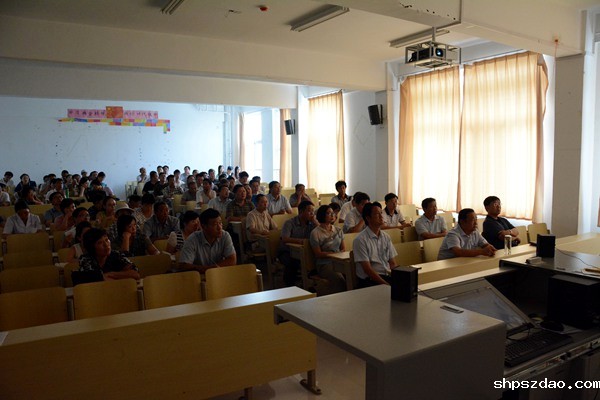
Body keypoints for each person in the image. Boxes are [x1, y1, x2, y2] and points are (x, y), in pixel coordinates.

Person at [353, 202, 398, 287]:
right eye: (377, 214)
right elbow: (368, 270)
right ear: (368, 218)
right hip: (370, 280)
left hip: (386, 276)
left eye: (381, 213)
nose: (381, 216)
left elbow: (392, 263)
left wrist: (398, 278)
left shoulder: (386, 237)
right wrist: (386, 285)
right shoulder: (360, 240)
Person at [178, 208, 236, 273]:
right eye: (215, 224)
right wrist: (209, 269)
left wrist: (213, 269)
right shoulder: (192, 239)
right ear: (204, 226)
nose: (219, 227)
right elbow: (183, 266)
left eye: (220, 223)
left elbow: (232, 260)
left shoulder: (225, 236)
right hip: (199, 276)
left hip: (218, 275)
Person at [309, 205, 347, 294]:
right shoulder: (315, 233)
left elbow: (343, 249)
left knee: (353, 275)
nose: (332, 215)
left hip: (339, 261)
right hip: (325, 264)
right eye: (328, 213)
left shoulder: (338, 230)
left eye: (333, 213)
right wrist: (334, 255)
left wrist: (338, 256)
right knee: (339, 279)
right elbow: (318, 253)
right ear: (322, 215)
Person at [278, 200, 316, 287]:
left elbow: (321, 233)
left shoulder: (312, 223)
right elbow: (284, 238)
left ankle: (309, 284)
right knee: (292, 262)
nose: (312, 214)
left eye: (313, 211)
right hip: (287, 251)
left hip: (305, 251)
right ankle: (290, 286)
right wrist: (300, 241)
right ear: (301, 212)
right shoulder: (289, 223)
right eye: (309, 211)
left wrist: (315, 222)